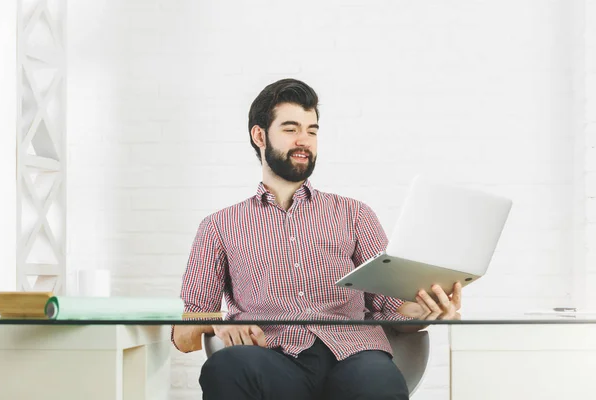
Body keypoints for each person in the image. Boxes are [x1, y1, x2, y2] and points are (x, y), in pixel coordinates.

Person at [172, 78, 462, 400]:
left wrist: (425, 312)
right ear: (259, 136)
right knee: (225, 366)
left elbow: (391, 308)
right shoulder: (218, 226)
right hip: (274, 358)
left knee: (378, 380)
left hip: (356, 356)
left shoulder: (354, 214)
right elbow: (184, 337)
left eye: (312, 130)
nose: (304, 141)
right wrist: (218, 324)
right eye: (290, 128)